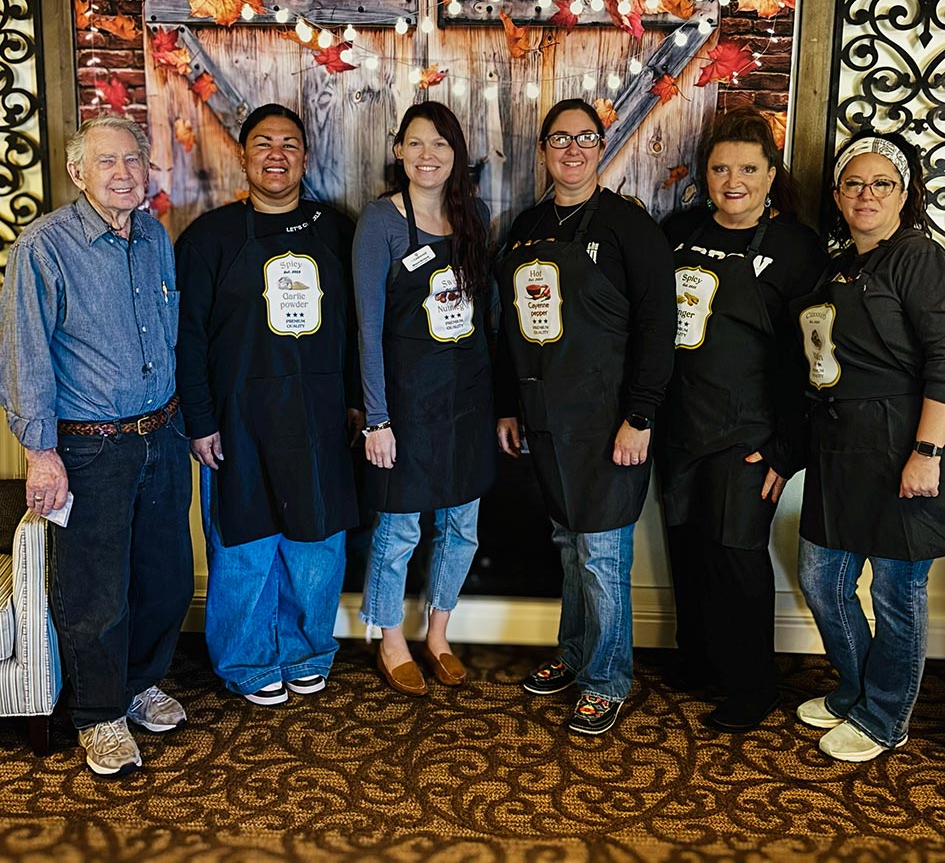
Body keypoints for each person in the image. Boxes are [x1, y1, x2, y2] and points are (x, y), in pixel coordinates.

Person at [0, 114, 193, 777]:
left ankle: (140, 682)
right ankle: (99, 715)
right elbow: (24, 354)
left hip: (160, 436)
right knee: (94, 594)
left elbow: (166, 338)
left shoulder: (153, 238)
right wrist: (41, 452)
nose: (123, 173)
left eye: (134, 161)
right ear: (78, 173)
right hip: (88, 450)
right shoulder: (44, 246)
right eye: (107, 162)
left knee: (164, 579)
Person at [495, 98, 676, 736]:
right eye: (559, 139)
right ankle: (574, 655)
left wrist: (642, 416)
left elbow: (660, 328)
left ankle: (606, 678)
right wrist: (508, 407)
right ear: (543, 150)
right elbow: (507, 327)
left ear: (602, 148)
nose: (572, 149)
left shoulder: (631, 226)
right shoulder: (524, 226)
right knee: (570, 547)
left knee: (601, 553)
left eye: (585, 139)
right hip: (544, 417)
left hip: (609, 421)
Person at [175, 104, 361, 706]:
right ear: (244, 154)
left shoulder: (339, 230)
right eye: (263, 143)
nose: (276, 154)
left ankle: (308, 650)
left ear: (305, 157)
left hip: (320, 417)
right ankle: (249, 660)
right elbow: (189, 338)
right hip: (237, 421)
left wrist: (360, 402)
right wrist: (199, 422)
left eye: (289, 144)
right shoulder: (209, 237)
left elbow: (364, 325)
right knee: (245, 545)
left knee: (316, 547)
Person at [657, 108, 827, 732]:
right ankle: (698, 658)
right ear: (705, 173)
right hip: (680, 426)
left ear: (770, 174)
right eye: (721, 167)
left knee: (736, 554)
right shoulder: (676, 231)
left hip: (749, 434)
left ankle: (753, 685)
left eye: (749, 169)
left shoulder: (795, 247)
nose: (734, 180)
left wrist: (787, 449)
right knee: (687, 546)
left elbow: (816, 355)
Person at [795, 129, 945, 761]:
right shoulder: (838, 265)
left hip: (900, 443)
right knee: (821, 577)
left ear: (902, 194)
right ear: (837, 193)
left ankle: (886, 718)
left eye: (881, 183)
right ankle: (856, 689)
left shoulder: (917, 256)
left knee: (895, 592)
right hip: (838, 444)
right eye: (854, 182)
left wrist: (929, 452)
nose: (866, 193)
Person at [353, 101, 495, 697]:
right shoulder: (380, 222)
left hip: (467, 398)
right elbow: (367, 327)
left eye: (439, 144)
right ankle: (390, 640)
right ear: (398, 152)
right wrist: (376, 419)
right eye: (415, 143)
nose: (427, 155)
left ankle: (438, 634)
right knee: (400, 528)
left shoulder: (476, 216)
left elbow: (484, 318)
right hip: (405, 404)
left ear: (456, 153)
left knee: (462, 527)